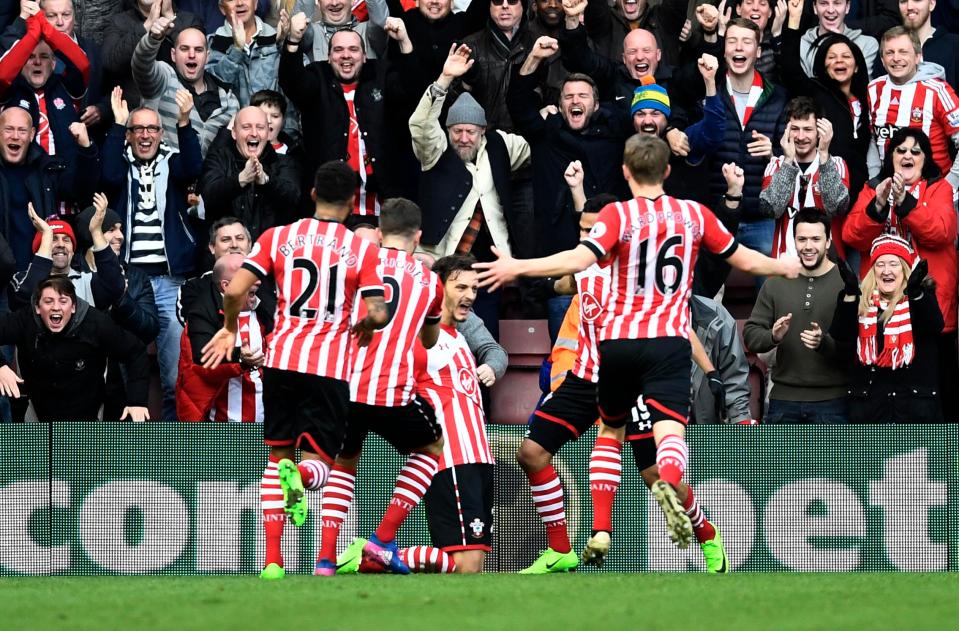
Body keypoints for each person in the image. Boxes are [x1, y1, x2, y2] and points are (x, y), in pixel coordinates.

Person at [475, 134, 801, 555]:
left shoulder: (617, 218)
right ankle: (661, 483)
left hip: (620, 346)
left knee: (610, 430)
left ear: (626, 172)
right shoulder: (694, 214)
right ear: (668, 171)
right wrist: (784, 266)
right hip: (665, 343)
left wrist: (517, 266)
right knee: (669, 437)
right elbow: (743, 259)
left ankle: (607, 530)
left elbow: (577, 259)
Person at [513, 192, 732, 574]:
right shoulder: (582, 264)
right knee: (531, 453)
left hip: (636, 380)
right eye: (581, 230)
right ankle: (561, 550)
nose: (586, 237)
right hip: (585, 379)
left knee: (657, 478)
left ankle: (706, 533)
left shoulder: (640, 274)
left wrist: (710, 371)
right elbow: (569, 281)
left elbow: (677, 325)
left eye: (591, 230)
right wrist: (545, 283)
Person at [199, 160, 388, 581]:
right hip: (329, 366)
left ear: (313, 194)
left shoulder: (277, 236)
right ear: (353, 201)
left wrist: (230, 327)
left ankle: (272, 561)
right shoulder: (362, 249)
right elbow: (378, 310)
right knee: (321, 464)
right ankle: (300, 476)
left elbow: (235, 288)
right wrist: (367, 324)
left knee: (275, 457)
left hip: (280, 360)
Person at [333, 253, 503, 575]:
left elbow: (493, 353)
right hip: (450, 458)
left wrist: (492, 366)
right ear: (438, 290)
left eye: (475, 288)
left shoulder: (459, 338)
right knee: (467, 565)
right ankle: (369, 553)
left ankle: (374, 553)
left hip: (479, 455)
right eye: (461, 287)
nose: (469, 295)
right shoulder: (419, 341)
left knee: (471, 567)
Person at [305, 198, 443, 577]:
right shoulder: (430, 281)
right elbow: (429, 341)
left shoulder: (354, 264)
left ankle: (326, 560)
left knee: (342, 464)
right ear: (418, 236)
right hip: (391, 391)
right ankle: (381, 540)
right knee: (431, 449)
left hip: (343, 386)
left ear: (379, 233)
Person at [409, 44, 531, 337]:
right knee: (439, 337)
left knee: (485, 337)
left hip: (489, 267)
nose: (464, 138)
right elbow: (422, 125)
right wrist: (444, 80)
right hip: (443, 261)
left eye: (471, 132)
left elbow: (531, 148)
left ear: (483, 131)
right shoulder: (436, 150)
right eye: (457, 131)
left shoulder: (502, 145)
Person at [101, 87, 203, 421]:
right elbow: (109, 176)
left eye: (152, 129)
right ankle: (130, 450)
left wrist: (185, 122)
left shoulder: (173, 161)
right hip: (131, 281)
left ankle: (172, 449)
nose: (145, 135)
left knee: (175, 375)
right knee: (128, 375)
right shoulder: (120, 162)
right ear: (129, 136)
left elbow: (193, 168)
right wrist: (117, 125)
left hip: (171, 280)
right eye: (137, 129)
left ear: (161, 133)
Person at [843, 127, 958, 421]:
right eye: (900, 150)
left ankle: (938, 463)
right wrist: (879, 204)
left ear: (925, 159)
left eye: (915, 151)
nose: (907, 155)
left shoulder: (938, 188)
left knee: (934, 394)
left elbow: (942, 232)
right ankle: (885, 463)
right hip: (881, 309)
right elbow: (852, 235)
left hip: (928, 306)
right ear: (890, 157)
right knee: (883, 394)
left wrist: (906, 202)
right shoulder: (872, 188)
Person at [278, 19, 413, 223]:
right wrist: (293, 40)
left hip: (383, 206)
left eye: (353, 49)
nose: (346, 55)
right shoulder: (317, 75)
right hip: (331, 207)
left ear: (364, 56)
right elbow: (292, 82)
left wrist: (404, 42)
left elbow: (411, 90)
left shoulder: (381, 74)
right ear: (329, 57)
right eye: (338, 50)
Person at [743, 209, 851, 422]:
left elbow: (856, 345)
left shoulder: (846, 283)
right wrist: (772, 336)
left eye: (815, 239)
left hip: (833, 402)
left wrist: (824, 343)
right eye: (802, 239)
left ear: (828, 241)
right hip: (783, 401)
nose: (808, 246)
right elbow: (751, 336)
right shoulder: (776, 282)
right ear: (793, 241)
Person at [0, 276, 151, 422]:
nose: (56, 307)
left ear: (73, 307)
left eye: (63, 301)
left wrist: (137, 401)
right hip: (39, 413)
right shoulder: (25, 319)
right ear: (38, 308)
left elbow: (135, 351)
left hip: (86, 416)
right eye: (48, 301)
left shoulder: (96, 323)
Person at [829, 234, 943, 422]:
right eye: (880, 264)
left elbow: (934, 325)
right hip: (871, 411)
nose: (886, 270)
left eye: (893, 264)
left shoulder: (920, 298)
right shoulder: (861, 303)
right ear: (873, 270)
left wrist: (915, 292)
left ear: (905, 269)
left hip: (914, 413)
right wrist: (850, 294)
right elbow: (841, 335)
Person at [707, 17, 787, 258]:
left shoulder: (779, 96)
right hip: (716, 215)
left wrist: (773, 153)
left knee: (770, 292)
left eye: (746, 42)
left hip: (761, 218)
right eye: (732, 41)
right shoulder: (710, 92)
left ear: (758, 51)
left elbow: (793, 154)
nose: (739, 47)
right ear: (724, 51)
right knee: (708, 294)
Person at [780, 2, 872, 210]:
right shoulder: (816, 92)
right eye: (831, 57)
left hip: (862, 190)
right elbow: (790, 68)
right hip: (825, 188)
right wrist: (793, 20)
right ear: (823, 65)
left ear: (857, 66)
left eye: (846, 56)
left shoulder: (868, 99)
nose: (839, 61)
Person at [132, 2, 239, 155]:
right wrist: (152, 39)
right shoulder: (163, 79)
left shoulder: (229, 102)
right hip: (166, 176)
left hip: (211, 178)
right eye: (184, 49)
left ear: (207, 57)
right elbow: (141, 66)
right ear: (173, 55)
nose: (191, 55)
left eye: (198, 50)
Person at [176, 251, 271, 422]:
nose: (257, 280)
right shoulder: (202, 312)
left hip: (266, 423)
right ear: (226, 286)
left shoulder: (266, 309)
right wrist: (240, 358)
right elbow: (202, 361)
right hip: (220, 423)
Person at [0, 106, 98, 271]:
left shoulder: (47, 169)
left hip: (39, 276)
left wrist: (85, 148)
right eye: (8, 129)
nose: (15, 136)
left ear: (32, 135)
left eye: (22, 131)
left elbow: (82, 192)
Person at [866, 27, 959, 189]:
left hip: (931, 191)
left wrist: (949, 185)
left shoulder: (938, 90)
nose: (896, 58)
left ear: (918, 56)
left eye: (903, 52)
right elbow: (872, 139)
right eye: (889, 53)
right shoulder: (873, 89)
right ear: (882, 60)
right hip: (888, 192)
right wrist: (875, 178)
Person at [759, 96, 850, 258]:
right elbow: (771, 210)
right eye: (795, 129)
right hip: (785, 266)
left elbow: (836, 208)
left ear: (820, 132)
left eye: (808, 129)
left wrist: (823, 154)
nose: (801, 137)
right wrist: (787, 162)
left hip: (827, 266)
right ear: (786, 130)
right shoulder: (777, 165)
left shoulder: (836, 164)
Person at [0, 8, 90, 170]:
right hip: (27, 182)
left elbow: (82, 65)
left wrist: (45, 26)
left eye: (44, 57)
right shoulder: (10, 90)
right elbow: (2, 75)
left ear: (53, 63)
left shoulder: (66, 86)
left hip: (65, 181)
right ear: (20, 62)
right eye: (30, 57)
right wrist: (33, 34)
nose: (37, 62)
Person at [198, 105, 301, 241]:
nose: (254, 133)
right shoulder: (219, 158)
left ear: (267, 133)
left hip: (269, 252)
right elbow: (209, 195)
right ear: (234, 133)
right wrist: (240, 180)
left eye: (260, 127)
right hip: (226, 253)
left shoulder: (284, 162)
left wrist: (266, 181)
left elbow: (293, 197)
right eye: (246, 127)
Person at [11, 195, 124, 313]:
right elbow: (24, 301)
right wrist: (46, 235)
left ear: (73, 250)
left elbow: (116, 287)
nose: (61, 244)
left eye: (66, 240)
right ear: (41, 247)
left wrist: (96, 232)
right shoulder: (21, 279)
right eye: (53, 239)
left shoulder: (88, 280)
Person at [101, 0, 205, 109]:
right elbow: (110, 64)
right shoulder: (118, 21)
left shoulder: (190, 20)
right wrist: (146, 26)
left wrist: (170, 17)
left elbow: (196, 58)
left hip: (180, 109)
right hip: (135, 113)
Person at [205, 0, 283, 108]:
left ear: (255, 3)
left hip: (274, 123)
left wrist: (287, 44)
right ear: (222, 8)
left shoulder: (278, 39)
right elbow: (211, 90)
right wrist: (236, 50)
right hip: (233, 123)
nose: (240, 3)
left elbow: (294, 91)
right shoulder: (210, 44)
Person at [795, 0, 878, 78]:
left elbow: (860, 87)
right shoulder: (799, 45)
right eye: (823, 3)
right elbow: (803, 89)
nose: (830, 10)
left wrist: (842, 44)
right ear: (815, 8)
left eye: (837, 3)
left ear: (847, 7)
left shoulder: (867, 44)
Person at [291, 0, 389, 61]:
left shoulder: (369, 32)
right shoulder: (312, 33)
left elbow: (379, 20)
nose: (334, 3)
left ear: (353, 1)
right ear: (318, 3)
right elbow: (299, 22)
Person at [900, 0, 959, 91]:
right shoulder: (889, 47)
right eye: (903, 1)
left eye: (917, 0)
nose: (909, 7)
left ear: (931, 4)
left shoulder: (955, 45)